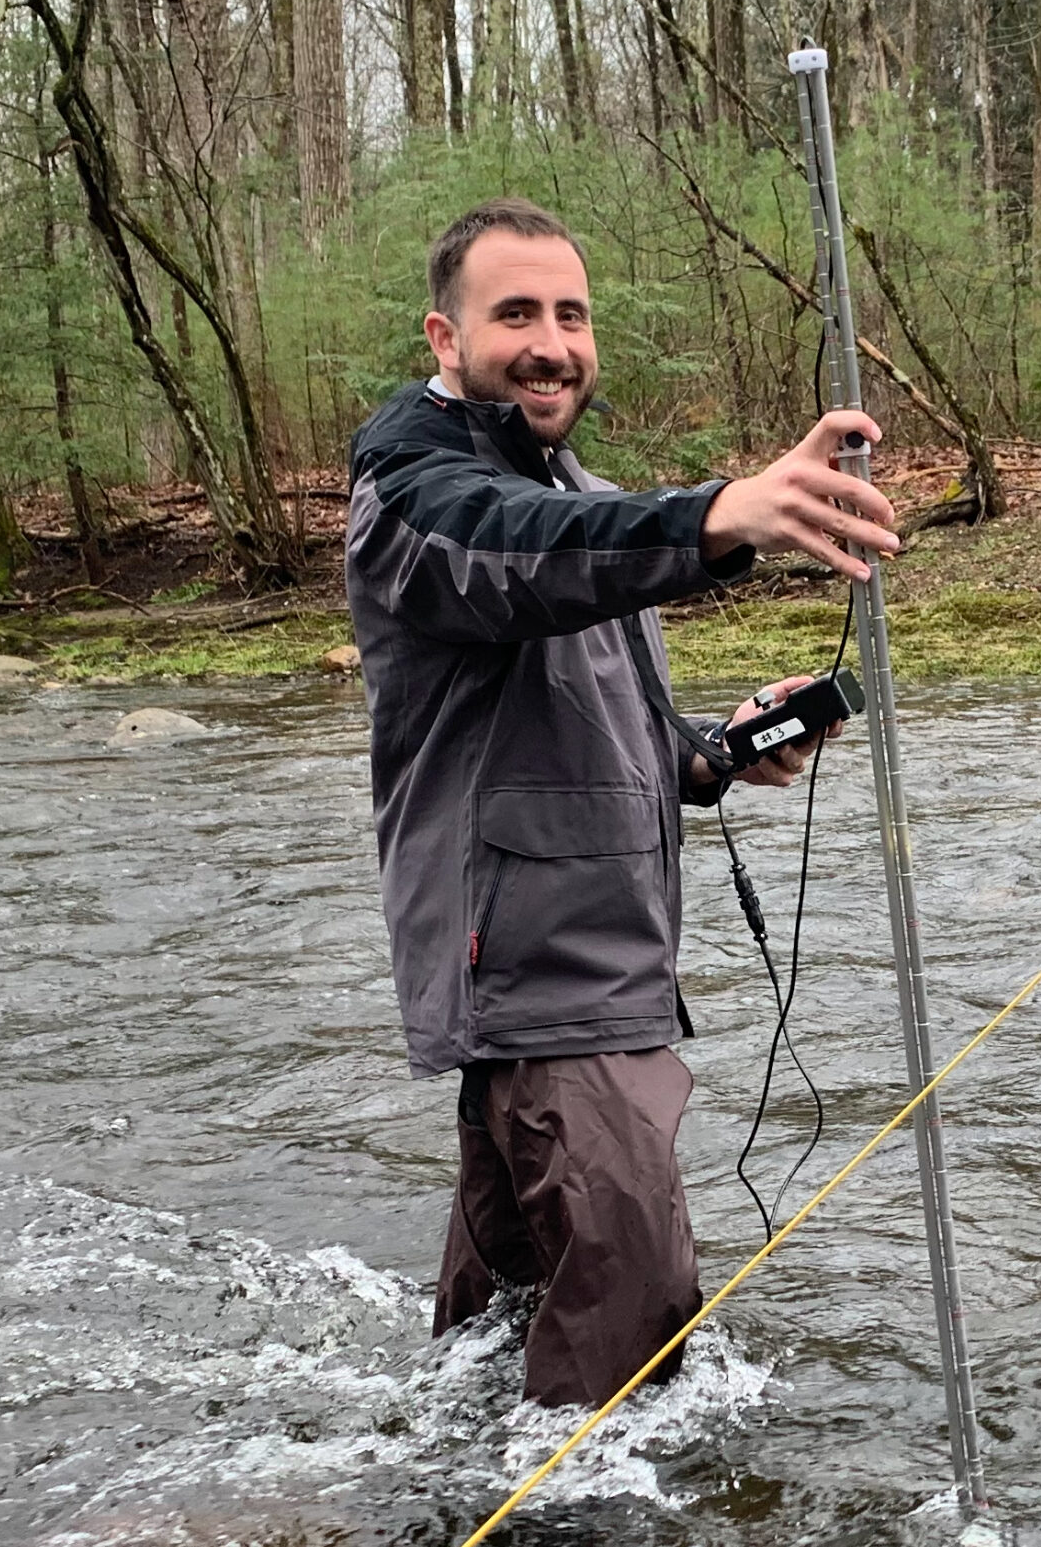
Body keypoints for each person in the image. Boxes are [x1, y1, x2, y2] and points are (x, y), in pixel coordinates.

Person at [345, 199, 898, 1410]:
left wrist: (712, 752)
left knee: (496, 1343)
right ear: (446, 336)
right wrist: (715, 513)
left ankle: (445, 1494)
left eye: (571, 314)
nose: (552, 342)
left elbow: (594, 717)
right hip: (544, 988)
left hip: (581, 973)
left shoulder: (571, 490)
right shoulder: (420, 489)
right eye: (516, 314)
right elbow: (519, 553)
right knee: (631, 1346)